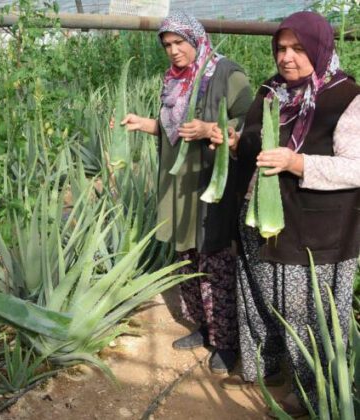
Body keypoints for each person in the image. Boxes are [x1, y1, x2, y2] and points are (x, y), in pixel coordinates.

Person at [211, 11, 360, 417]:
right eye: (281, 48)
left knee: (304, 313)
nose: (286, 57)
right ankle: (268, 369)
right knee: (261, 299)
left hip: (314, 229)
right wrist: (234, 141)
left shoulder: (347, 97)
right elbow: (257, 143)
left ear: (320, 47)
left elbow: (357, 167)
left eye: (298, 48)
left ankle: (312, 391)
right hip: (261, 220)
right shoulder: (271, 91)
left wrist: (299, 164)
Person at [117, 11, 252, 374]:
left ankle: (226, 341)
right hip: (177, 185)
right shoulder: (173, 80)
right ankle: (205, 327)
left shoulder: (227, 74)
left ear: (195, 39)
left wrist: (211, 129)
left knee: (215, 259)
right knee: (187, 256)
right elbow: (171, 129)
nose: (174, 51)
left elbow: (251, 125)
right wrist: (144, 123)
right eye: (168, 45)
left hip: (211, 183)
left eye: (180, 43)